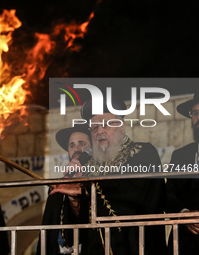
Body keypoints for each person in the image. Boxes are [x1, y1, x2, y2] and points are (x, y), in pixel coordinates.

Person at [50, 98, 168, 255]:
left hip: (136, 245)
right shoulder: (89, 165)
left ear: (122, 126)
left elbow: (137, 195)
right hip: (97, 248)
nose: (99, 131)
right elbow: (83, 219)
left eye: (105, 125)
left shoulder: (143, 152)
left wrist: (87, 190)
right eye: (94, 128)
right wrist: (74, 198)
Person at [36, 125, 92, 255]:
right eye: (71, 145)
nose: (76, 149)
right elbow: (48, 227)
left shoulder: (100, 181)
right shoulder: (58, 186)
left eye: (82, 143)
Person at [166, 91, 199, 254]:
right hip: (186, 244)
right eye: (195, 113)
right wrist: (184, 214)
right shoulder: (180, 155)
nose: (198, 118)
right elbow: (168, 194)